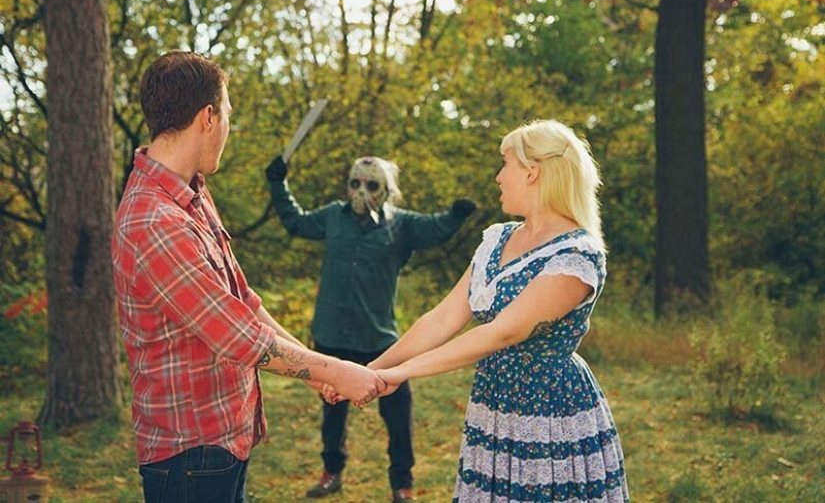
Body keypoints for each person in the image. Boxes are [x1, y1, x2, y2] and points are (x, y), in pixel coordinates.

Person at [111, 50, 385, 503]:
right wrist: (336, 369)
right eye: (228, 116)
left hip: (221, 441)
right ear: (208, 117)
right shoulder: (154, 220)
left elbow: (243, 300)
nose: (228, 130)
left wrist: (313, 369)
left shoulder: (192, 194)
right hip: (188, 455)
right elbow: (239, 337)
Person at [368, 120, 630, 502]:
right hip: (494, 402)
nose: (497, 177)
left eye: (505, 164)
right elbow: (443, 318)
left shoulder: (576, 255)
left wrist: (401, 373)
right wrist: (372, 369)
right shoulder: (498, 238)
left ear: (532, 171)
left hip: (549, 412)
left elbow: (502, 332)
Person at [265, 154, 477, 502]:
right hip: (332, 334)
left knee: (398, 415)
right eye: (355, 183)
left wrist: (457, 214)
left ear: (387, 190)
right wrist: (278, 183)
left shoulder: (401, 224)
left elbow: (436, 229)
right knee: (332, 412)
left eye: (372, 184)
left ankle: (402, 485)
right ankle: (331, 472)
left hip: (379, 339)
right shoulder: (334, 216)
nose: (362, 190)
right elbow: (295, 222)